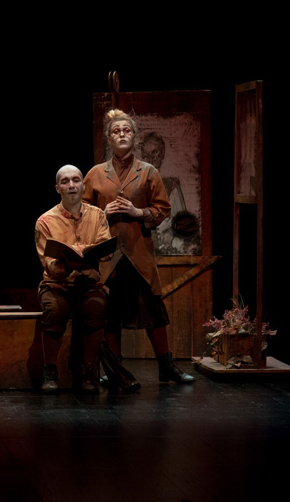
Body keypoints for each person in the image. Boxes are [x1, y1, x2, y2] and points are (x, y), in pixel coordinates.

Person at [83, 109, 195, 384]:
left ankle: (166, 367)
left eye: (127, 130)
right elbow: (82, 211)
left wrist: (138, 212)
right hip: (108, 254)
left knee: (153, 311)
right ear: (109, 138)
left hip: (138, 253)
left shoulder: (148, 172)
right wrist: (102, 212)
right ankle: (115, 370)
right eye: (116, 131)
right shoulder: (96, 174)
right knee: (110, 313)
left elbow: (163, 208)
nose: (122, 134)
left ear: (134, 136)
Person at [35, 165, 111, 394]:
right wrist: (76, 256)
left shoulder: (97, 215)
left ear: (83, 185)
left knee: (95, 307)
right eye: (65, 181)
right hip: (57, 283)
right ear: (57, 188)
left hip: (89, 283)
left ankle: (88, 372)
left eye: (76, 180)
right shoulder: (45, 221)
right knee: (54, 309)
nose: (71, 185)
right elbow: (49, 262)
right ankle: (50, 371)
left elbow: (105, 248)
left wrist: (77, 253)